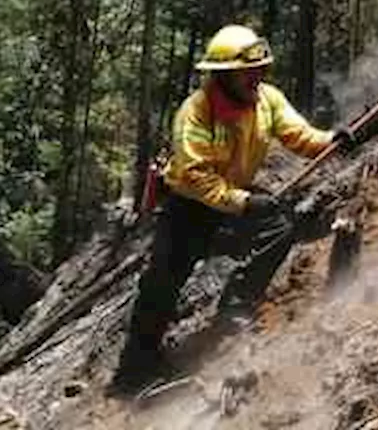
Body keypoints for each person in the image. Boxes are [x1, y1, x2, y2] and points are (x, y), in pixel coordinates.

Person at [110, 24, 354, 393]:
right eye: (250, 71)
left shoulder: (267, 100)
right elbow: (194, 177)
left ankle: (235, 311)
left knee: (278, 227)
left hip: (232, 199)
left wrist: (328, 140)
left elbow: (297, 134)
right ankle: (135, 369)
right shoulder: (195, 112)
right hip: (188, 207)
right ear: (223, 74)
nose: (259, 76)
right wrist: (243, 202)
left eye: (261, 69)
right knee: (161, 283)